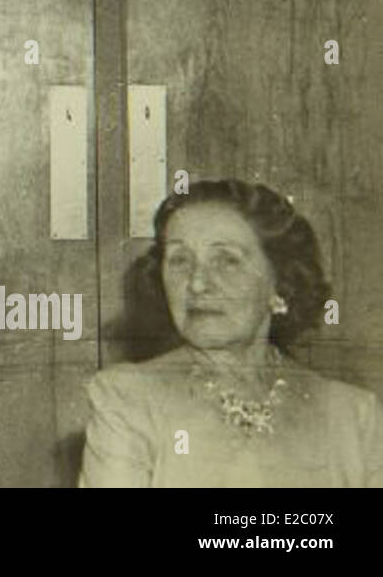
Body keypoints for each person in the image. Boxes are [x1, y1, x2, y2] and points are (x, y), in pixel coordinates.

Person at [80, 179, 383, 487]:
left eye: (226, 261)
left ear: (280, 286)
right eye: (180, 260)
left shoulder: (353, 415)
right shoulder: (128, 398)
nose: (197, 283)